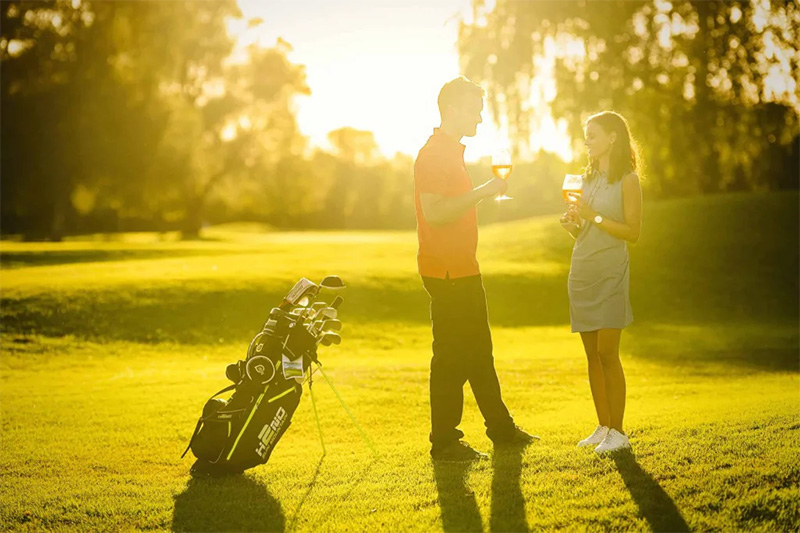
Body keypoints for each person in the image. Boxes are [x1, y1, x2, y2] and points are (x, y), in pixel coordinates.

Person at [414, 76, 536, 461]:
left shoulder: (451, 152)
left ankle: (501, 430)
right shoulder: (433, 154)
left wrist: (480, 194)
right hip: (447, 272)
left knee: (479, 353)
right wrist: (483, 192)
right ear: (452, 109)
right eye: (474, 109)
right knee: (451, 358)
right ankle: (445, 442)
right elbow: (435, 213)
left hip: (463, 268)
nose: (480, 118)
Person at [560, 111, 643, 454]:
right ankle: (603, 426)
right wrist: (572, 225)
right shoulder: (584, 178)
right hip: (582, 271)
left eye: (592, 135)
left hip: (610, 272)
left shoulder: (628, 180)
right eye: (586, 136)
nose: (587, 141)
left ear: (613, 138)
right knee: (592, 356)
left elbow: (632, 232)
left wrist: (592, 214)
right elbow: (586, 226)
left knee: (608, 353)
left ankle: (619, 433)